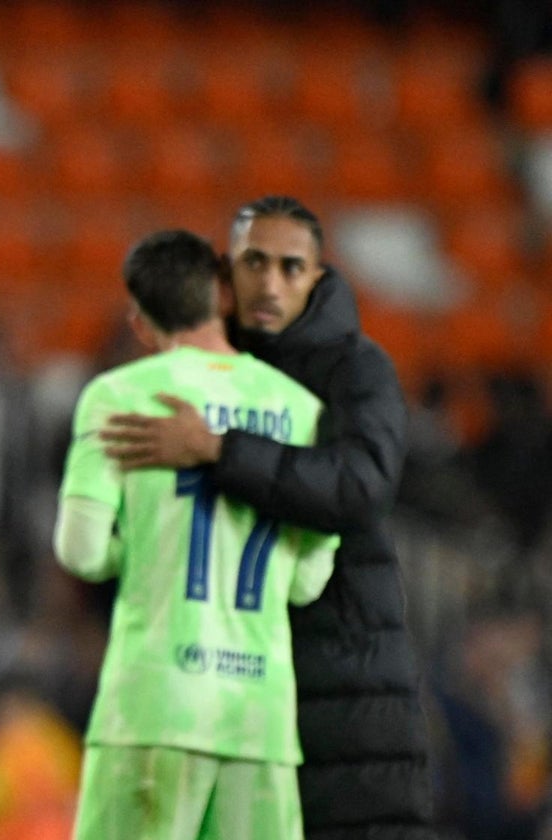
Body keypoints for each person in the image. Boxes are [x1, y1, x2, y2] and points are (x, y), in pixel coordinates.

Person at [100, 196, 436, 838]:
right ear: (227, 274)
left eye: (290, 267)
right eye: (255, 263)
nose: (271, 283)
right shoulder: (207, 375)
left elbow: (360, 486)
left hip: (345, 675)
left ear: (316, 276)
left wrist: (221, 451)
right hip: (234, 680)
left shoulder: (357, 370)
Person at [54, 229, 339, 839]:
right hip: (259, 718)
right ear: (223, 298)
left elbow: (79, 550)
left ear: (139, 320)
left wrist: (139, 553)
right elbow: (309, 580)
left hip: (154, 706)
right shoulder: (301, 410)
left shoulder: (119, 396)